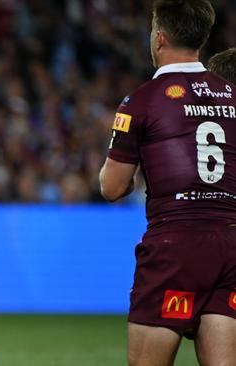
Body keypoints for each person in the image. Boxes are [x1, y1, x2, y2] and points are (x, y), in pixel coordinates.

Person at [99, 1, 236, 365]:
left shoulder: (141, 101)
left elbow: (111, 188)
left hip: (176, 245)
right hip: (231, 244)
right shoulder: (231, 94)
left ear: (159, 38)